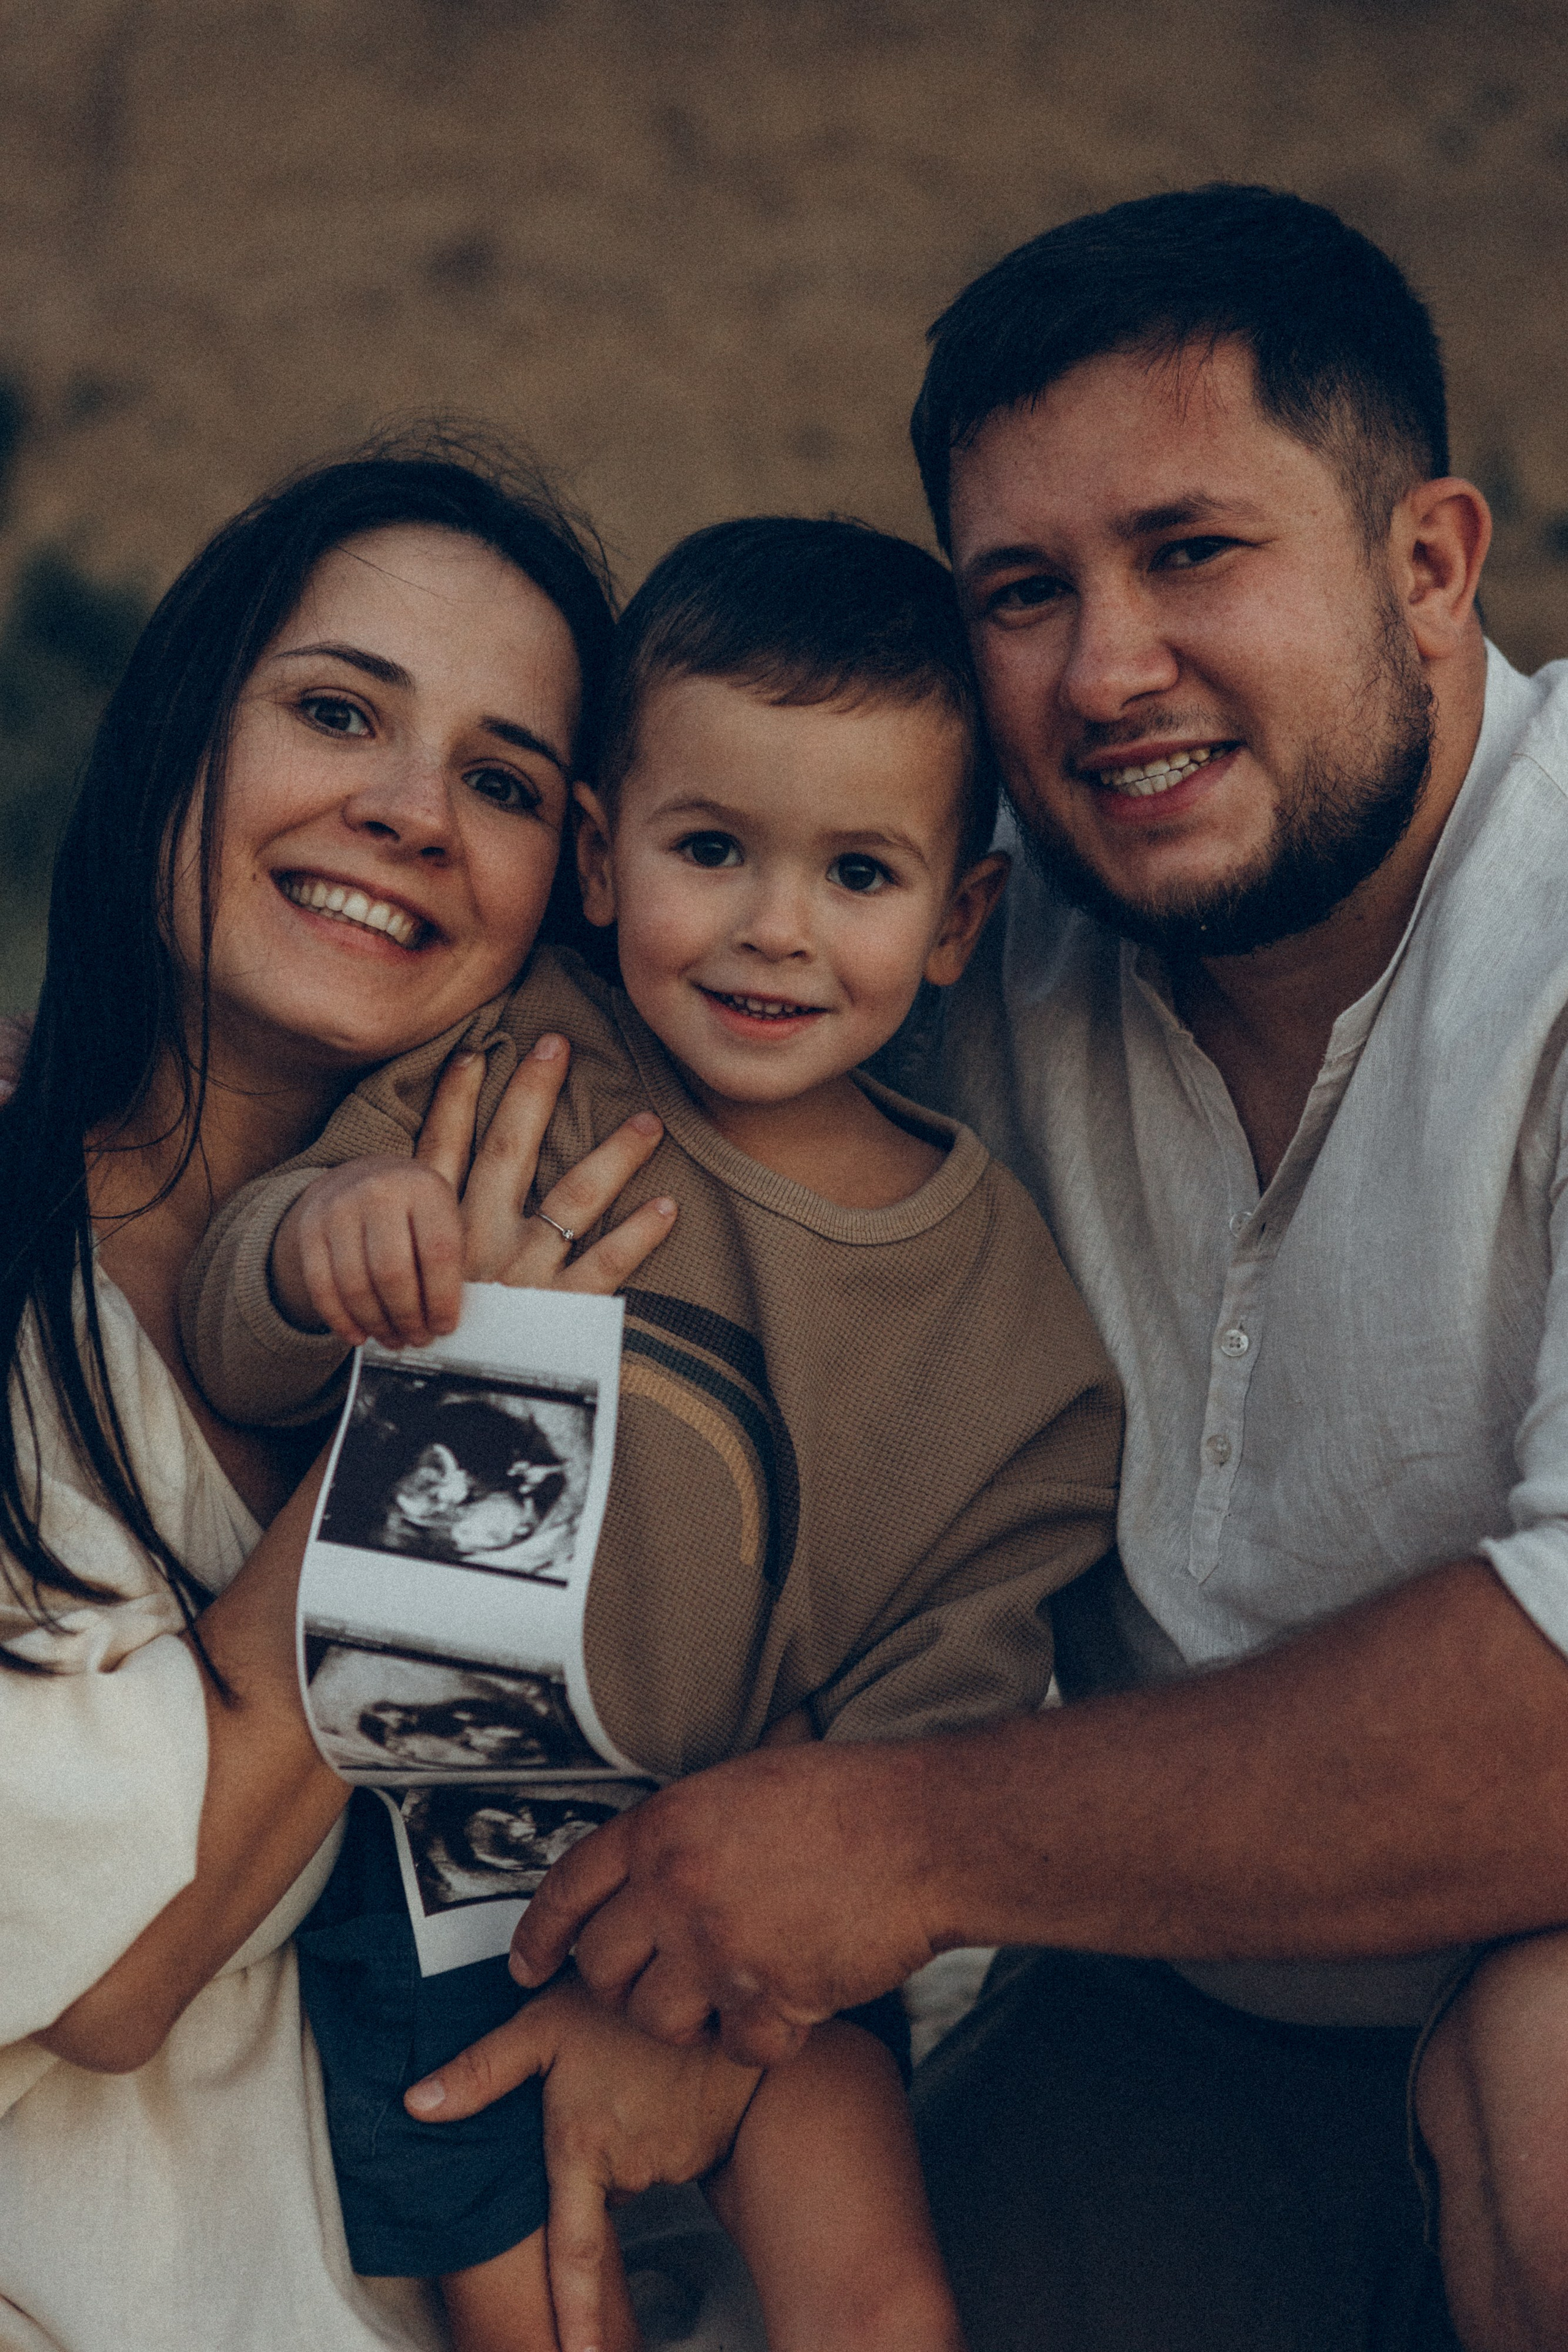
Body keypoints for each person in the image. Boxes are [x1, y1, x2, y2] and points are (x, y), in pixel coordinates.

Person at [430, 186, 1568, 2351]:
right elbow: (431, 1021)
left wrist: (863, 1857)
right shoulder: (953, 950)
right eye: (1023, 594)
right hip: (1159, 2007)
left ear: (1431, 565)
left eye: (1192, 553)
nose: (1104, 670)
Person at [179, 514, 1121, 2352]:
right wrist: (315, 1253)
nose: (776, 927)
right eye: (712, 850)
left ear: (959, 923)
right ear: (604, 859)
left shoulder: (996, 1304)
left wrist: (761, 1960)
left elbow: (974, 1664)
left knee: (881, 2301)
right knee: (537, 2302)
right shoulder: (515, 1072)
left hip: (775, 1897)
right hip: (445, 1866)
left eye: (858, 872)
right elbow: (231, 1331)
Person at [0, 435, 698, 2351]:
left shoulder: (626, 1299)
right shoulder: (486, 1368)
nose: (408, 811)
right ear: (175, 741)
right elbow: (106, 1964)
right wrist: (460, 1416)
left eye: (502, 780)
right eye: (336, 712)